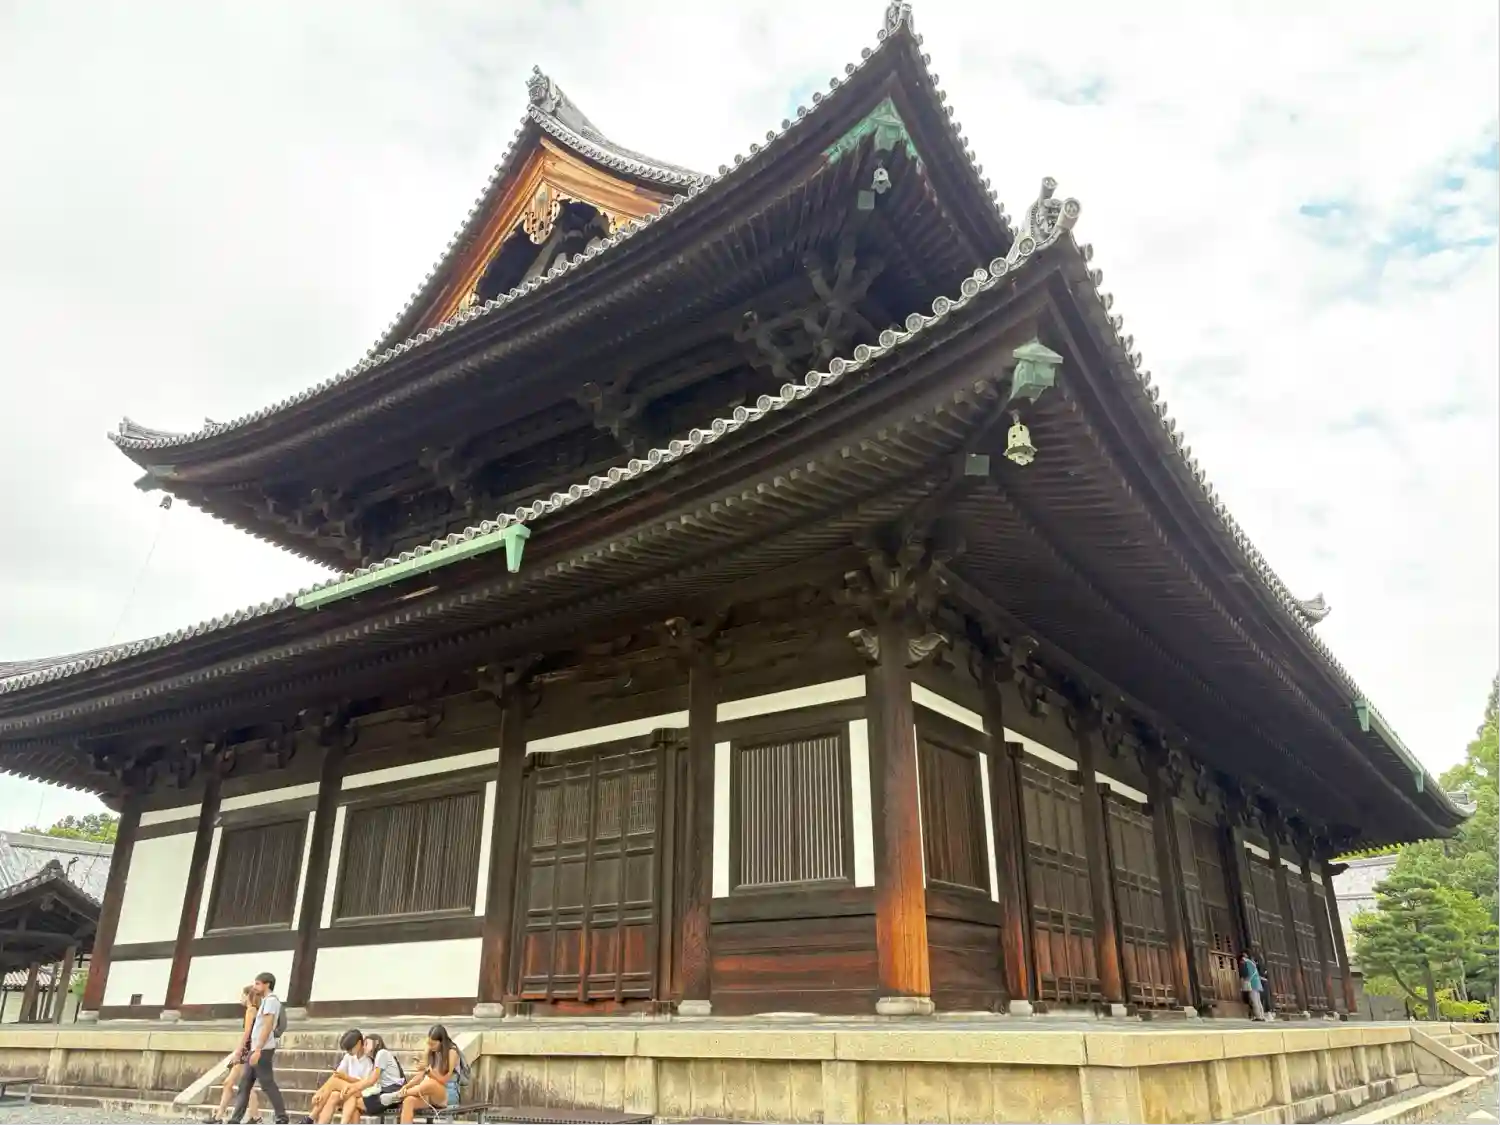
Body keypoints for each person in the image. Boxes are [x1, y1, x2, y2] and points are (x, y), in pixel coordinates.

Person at [224, 971, 289, 1125]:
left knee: (267, 1083)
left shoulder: (271, 1001)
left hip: (263, 1049)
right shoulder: (266, 1001)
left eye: (258, 984)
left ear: (267, 984)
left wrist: (258, 1049)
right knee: (245, 1084)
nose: (255, 987)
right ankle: (235, 1119)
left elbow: (267, 1026)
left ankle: (282, 1117)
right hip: (256, 1048)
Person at [206, 986, 262, 1124]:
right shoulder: (256, 1011)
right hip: (249, 1049)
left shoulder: (251, 1010)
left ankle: (255, 1117)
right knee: (229, 1083)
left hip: (246, 1051)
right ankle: (219, 1116)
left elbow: (247, 1033)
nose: (241, 998)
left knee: (244, 1085)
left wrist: (238, 1051)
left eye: (243, 995)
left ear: (248, 996)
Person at [303, 1029, 372, 1125]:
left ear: (359, 1043)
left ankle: (310, 1118)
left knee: (336, 1082)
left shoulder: (368, 1060)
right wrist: (321, 1091)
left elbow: (367, 1083)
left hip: (363, 1091)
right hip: (348, 1091)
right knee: (334, 1095)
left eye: (350, 1049)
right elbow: (337, 1075)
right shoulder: (349, 1057)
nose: (348, 1052)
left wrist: (346, 1077)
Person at [395, 1025, 461, 1124]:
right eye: (429, 1043)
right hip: (428, 1093)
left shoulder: (452, 1052)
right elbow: (421, 1075)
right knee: (409, 1101)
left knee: (430, 1083)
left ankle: (397, 1096)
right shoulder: (431, 1051)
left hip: (447, 1093)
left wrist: (428, 1071)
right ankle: (403, 1094)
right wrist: (407, 1086)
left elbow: (444, 1080)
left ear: (441, 1042)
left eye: (433, 1044)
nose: (431, 1046)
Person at [344, 1033, 404, 1124]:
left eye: (366, 1043)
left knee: (354, 1102)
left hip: (391, 1093)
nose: (364, 1047)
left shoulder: (382, 1053)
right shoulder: (377, 1058)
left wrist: (353, 1087)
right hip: (385, 1092)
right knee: (353, 1103)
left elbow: (372, 1080)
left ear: (376, 1042)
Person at [1239, 951, 1266, 1021]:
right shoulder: (1252, 963)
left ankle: (1258, 1017)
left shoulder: (1247, 962)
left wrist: (1245, 981)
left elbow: (1249, 974)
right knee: (1258, 1001)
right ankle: (1262, 1016)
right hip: (1257, 983)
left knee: (1254, 1001)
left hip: (1252, 984)